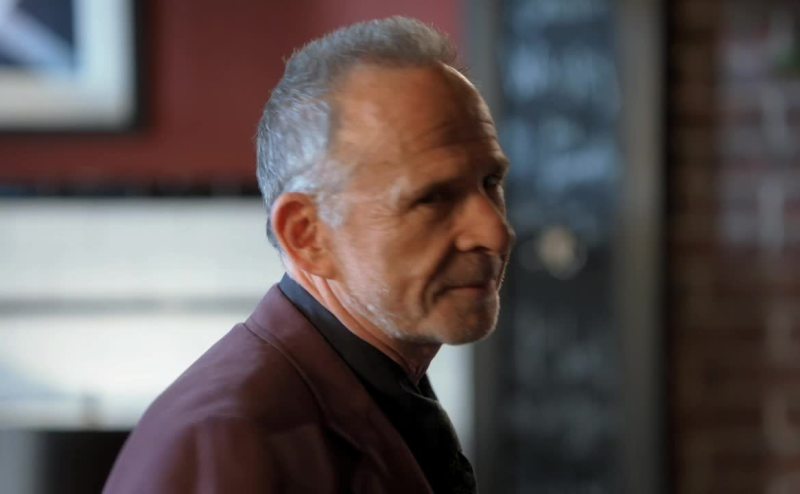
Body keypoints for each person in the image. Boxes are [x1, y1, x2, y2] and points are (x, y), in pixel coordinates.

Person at [104, 16, 513, 494]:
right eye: (433, 199)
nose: (495, 232)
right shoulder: (227, 439)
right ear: (307, 236)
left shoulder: (378, 388)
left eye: (491, 183)